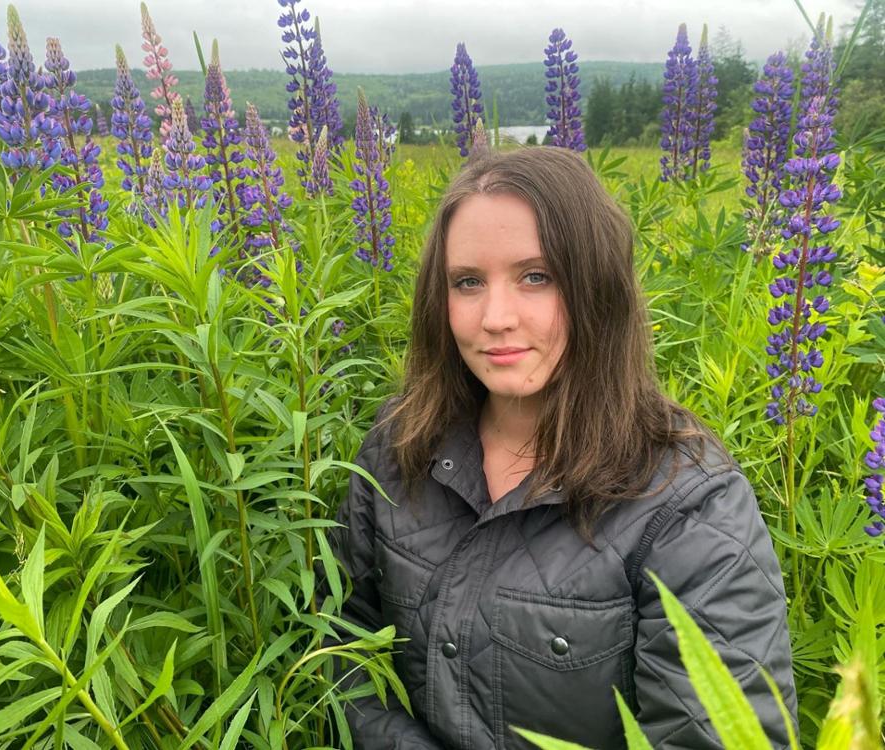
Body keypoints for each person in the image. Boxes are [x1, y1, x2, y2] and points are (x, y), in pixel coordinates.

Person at [328, 146, 797, 749]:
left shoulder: (688, 505)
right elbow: (340, 648)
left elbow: (718, 735)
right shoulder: (399, 446)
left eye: (536, 276)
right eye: (467, 282)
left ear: (597, 287)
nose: (496, 316)